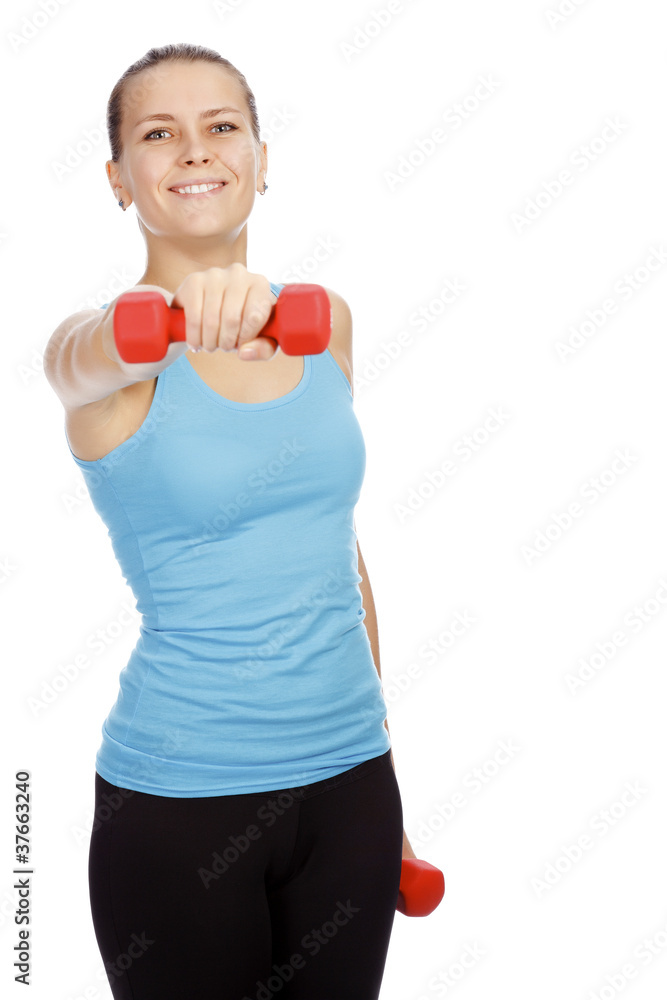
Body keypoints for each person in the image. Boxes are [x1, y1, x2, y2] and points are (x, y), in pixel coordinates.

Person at [44, 42, 416, 1000]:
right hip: (182, 805)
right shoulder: (102, 360)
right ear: (118, 179)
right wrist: (170, 313)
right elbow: (77, 359)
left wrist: (381, 767)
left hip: (351, 786)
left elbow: (336, 552)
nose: (194, 150)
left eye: (221, 126)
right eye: (157, 134)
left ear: (260, 156)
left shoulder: (324, 321)